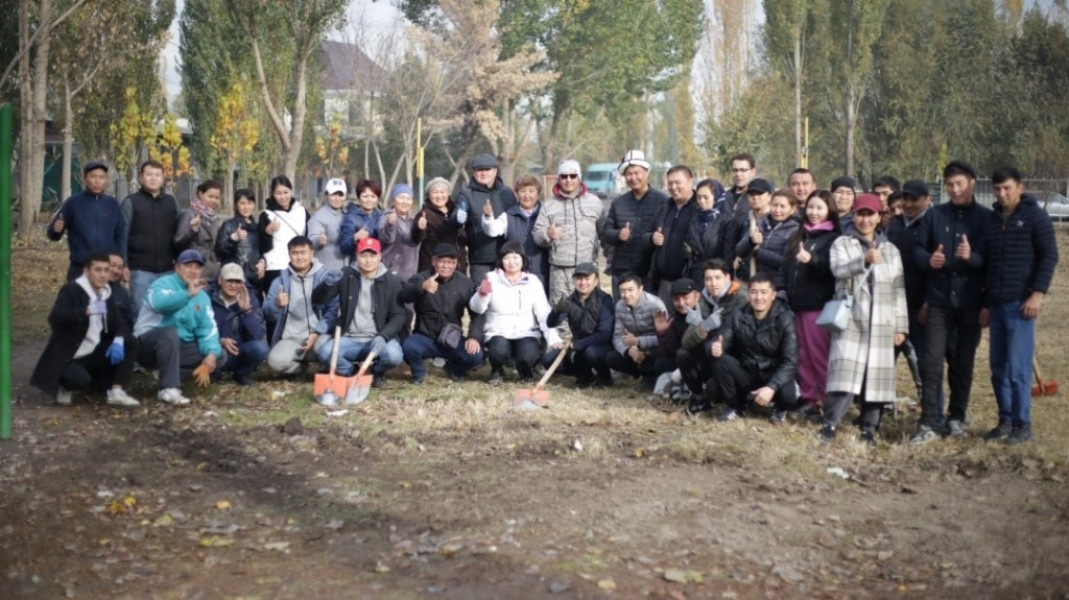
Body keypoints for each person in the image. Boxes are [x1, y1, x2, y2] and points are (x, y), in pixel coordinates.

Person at [909, 161, 990, 443]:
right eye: (950, 185)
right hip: (939, 302)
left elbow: (991, 261)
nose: (955, 190)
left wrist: (972, 258)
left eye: (960, 184)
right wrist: (928, 259)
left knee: (962, 363)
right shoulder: (935, 215)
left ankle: (957, 417)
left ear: (972, 183)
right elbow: (917, 249)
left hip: (970, 302)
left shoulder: (986, 219)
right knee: (931, 364)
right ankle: (929, 421)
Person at [820, 194, 908, 444]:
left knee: (875, 377)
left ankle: (869, 428)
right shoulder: (842, 243)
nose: (865, 220)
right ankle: (830, 424)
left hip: (882, 321)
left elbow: (898, 289)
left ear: (879, 217)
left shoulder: (890, 250)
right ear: (854, 216)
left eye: (870, 215)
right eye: (860, 214)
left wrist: (901, 326)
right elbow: (838, 270)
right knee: (843, 374)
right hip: (852, 319)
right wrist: (863, 260)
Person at [980, 167, 1058, 444]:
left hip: (1021, 305)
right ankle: (1005, 421)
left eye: (1007, 188)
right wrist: (986, 303)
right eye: (997, 189)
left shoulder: (1036, 217)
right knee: (998, 368)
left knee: (1018, 369)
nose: (1002, 194)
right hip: (996, 304)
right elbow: (988, 265)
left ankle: (1022, 425)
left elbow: (1049, 256)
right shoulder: (992, 221)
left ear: (1020, 188)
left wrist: (1037, 294)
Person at [30, 252, 140, 407]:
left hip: (93, 351)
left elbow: (119, 323)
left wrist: (118, 340)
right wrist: (85, 311)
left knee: (130, 342)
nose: (103, 275)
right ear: (87, 271)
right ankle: (65, 386)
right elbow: (55, 318)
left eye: (106, 270)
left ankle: (116, 391)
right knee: (80, 381)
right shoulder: (72, 290)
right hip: (70, 355)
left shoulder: (106, 293)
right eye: (98, 270)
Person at [133, 249, 225, 405]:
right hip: (147, 345)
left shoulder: (202, 296)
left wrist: (211, 355)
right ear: (176, 267)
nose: (193, 271)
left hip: (178, 347)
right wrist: (187, 295)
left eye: (197, 267)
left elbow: (207, 329)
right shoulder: (161, 284)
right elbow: (160, 304)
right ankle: (168, 388)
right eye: (188, 266)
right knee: (169, 333)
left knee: (219, 354)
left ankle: (165, 374)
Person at [709, 272, 799, 424]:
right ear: (748, 293)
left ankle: (779, 409)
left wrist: (771, 387)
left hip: (773, 375)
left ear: (773, 295)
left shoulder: (785, 318)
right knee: (719, 360)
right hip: (747, 372)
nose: (758, 297)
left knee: (789, 396)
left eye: (764, 292)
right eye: (754, 292)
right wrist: (714, 347)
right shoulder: (737, 314)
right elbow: (720, 339)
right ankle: (735, 407)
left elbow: (791, 361)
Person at [780, 190, 841, 412]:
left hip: (817, 306)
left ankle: (828, 398)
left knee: (818, 354)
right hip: (795, 304)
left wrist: (811, 260)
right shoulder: (798, 236)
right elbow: (785, 267)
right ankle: (809, 397)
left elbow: (832, 269)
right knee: (801, 354)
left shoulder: (834, 239)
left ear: (829, 211)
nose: (814, 212)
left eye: (819, 208)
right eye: (811, 207)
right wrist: (781, 289)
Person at [469, 241, 562, 385]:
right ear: (501, 260)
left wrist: (553, 338)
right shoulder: (490, 278)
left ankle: (525, 369)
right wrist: (481, 295)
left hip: (526, 332)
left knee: (529, 355)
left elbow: (544, 312)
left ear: (523, 259)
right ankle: (497, 369)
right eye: (507, 258)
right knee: (498, 352)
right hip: (498, 331)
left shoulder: (533, 281)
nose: (511, 262)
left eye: (515, 257)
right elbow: (477, 308)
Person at [317, 238, 406, 386]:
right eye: (364, 255)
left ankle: (376, 371)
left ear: (380, 256)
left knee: (394, 356)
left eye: (372, 255)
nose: (368, 260)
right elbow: (319, 299)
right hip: (348, 338)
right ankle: (351, 371)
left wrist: (383, 336)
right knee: (324, 353)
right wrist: (327, 284)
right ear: (357, 256)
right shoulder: (346, 275)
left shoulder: (391, 281)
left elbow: (398, 315)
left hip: (376, 338)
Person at [400, 243, 485, 384]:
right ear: (434, 261)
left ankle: (454, 370)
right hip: (424, 337)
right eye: (442, 261)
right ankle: (419, 373)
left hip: (451, 339)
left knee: (476, 355)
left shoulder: (465, 283)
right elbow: (403, 296)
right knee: (408, 347)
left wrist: (474, 337)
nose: (446, 266)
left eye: (451, 262)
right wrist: (421, 287)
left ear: (456, 264)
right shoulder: (421, 278)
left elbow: (477, 313)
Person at [263, 236, 339, 376]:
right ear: (289, 254)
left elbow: (334, 310)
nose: (299, 257)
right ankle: (300, 369)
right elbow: (267, 313)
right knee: (275, 362)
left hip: (320, 336)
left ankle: (325, 365)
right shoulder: (279, 281)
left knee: (328, 348)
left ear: (311, 253)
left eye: (303, 253)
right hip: (292, 338)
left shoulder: (325, 278)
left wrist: (317, 332)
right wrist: (277, 305)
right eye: (295, 253)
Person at [533, 159, 605, 303]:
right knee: (561, 313)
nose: (568, 180)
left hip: (588, 269)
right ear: (558, 179)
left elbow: (605, 232)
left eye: (573, 176)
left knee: (591, 311)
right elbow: (536, 235)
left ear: (579, 178)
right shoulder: (549, 205)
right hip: (560, 273)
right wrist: (548, 234)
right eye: (564, 176)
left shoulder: (594, 202)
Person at [599, 150, 669, 298]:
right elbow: (606, 232)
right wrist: (618, 234)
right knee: (622, 310)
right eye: (629, 174)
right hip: (622, 270)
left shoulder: (662, 200)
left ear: (646, 172)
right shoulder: (618, 203)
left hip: (649, 272)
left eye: (637, 173)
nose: (633, 178)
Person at [885, 181, 932, 403]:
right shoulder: (894, 226)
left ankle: (931, 409)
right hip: (894, 305)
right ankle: (877, 408)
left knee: (925, 362)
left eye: (915, 200)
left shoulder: (932, 224)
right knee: (884, 360)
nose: (909, 204)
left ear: (927, 200)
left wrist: (928, 303)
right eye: (906, 199)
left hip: (920, 306)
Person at [683, 259, 745, 413]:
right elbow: (686, 342)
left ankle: (734, 404)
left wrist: (718, 341)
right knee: (683, 355)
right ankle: (698, 395)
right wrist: (703, 328)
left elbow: (742, 334)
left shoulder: (740, 297)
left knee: (714, 387)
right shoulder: (703, 299)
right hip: (710, 350)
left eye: (718, 278)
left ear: (728, 278)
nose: (713, 283)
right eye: (708, 279)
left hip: (734, 355)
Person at [48, 161, 126, 282]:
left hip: (107, 269)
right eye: (93, 176)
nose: (97, 181)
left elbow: (121, 235)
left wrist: (121, 261)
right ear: (85, 179)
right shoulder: (73, 203)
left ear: (106, 180)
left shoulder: (112, 204)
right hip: (80, 268)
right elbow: (53, 235)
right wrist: (56, 230)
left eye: (101, 177)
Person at [121, 159, 179, 316]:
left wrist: (179, 261)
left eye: (157, 175)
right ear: (141, 177)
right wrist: (123, 264)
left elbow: (179, 234)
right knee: (141, 314)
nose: (153, 178)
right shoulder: (131, 202)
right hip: (139, 270)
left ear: (163, 178)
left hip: (167, 270)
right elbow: (122, 234)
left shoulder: (171, 202)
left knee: (166, 315)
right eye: (149, 174)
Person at [544, 263, 615, 388]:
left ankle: (604, 377)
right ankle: (585, 376)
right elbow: (551, 324)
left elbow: (605, 334)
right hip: (578, 346)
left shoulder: (605, 300)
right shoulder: (569, 301)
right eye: (579, 279)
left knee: (590, 353)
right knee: (547, 360)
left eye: (587, 279)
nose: (583, 283)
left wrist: (578, 344)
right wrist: (555, 311)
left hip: (602, 346)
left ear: (596, 281)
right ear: (574, 281)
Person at [455, 154, 518, 285]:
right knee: (482, 294)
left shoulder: (507, 193)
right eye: (479, 170)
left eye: (487, 169)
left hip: (507, 257)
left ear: (495, 171)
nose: (483, 173)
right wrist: (457, 217)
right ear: (474, 172)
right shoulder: (466, 195)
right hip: (480, 260)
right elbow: (455, 215)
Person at [480, 173, 549, 294]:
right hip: (515, 276)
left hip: (543, 274)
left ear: (538, 193)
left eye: (531, 191)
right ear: (516, 193)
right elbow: (492, 230)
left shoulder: (547, 213)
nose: (527, 195)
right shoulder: (508, 216)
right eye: (522, 191)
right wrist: (488, 216)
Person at [605, 273, 669, 390]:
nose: (626, 295)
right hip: (634, 347)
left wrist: (639, 341)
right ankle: (639, 372)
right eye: (622, 291)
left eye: (630, 290)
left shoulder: (655, 305)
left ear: (640, 289)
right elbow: (617, 336)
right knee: (611, 357)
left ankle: (651, 377)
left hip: (653, 348)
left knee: (659, 353)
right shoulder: (620, 306)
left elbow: (666, 337)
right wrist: (629, 351)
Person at [208, 263, 269, 386]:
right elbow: (197, 329)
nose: (233, 285)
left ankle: (241, 374)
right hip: (213, 350)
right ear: (220, 280)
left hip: (237, 351)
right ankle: (213, 372)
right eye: (229, 280)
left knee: (260, 348)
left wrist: (247, 312)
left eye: (237, 281)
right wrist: (219, 341)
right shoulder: (207, 298)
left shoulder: (251, 300)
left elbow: (258, 335)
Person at [650, 166, 699, 305]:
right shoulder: (664, 208)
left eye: (678, 183)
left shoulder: (699, 207)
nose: (673, 187)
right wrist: (652, 238)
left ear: (690, 182)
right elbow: (647, 233)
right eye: (670, 183)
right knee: (664, 318)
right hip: (664, 281)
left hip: (689, 283)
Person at [735, 187, 799, 288]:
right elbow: (739, 250)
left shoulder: (795, 230)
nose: (777, 210)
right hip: (755, 281)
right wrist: (751, 242)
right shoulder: (760, 223)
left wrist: (757, 252)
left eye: (782, 206)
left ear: (792, 209)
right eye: (775, 205)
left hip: (777, 285)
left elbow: (785, 263)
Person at [259, 175, 309, 296]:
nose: (283, 197)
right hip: (275, 268)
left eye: (286, 192)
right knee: (276, 303)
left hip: (299, 266)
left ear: (291, 191)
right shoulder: (266, 215)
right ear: (272, 194)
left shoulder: (302, 211)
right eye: (278, 193)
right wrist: (267, 232)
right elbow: (261, 247)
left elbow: (309, 238)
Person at [412, 177, 468, 274]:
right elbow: (417, 238)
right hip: (433, 269)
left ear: (448, 194)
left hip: (457, 268)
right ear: (428, 195)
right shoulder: (425, 214)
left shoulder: (456, 212)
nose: (439, 196)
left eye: (442, 192)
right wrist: (419, 228)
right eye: (435, 192)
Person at [215, 188, 266, 296]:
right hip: (234, 278)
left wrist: (262, 261)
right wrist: (234, 239)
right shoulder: (228, 225)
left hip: (255, 278)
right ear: (236, 205)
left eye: (249, 203)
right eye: (242, 203)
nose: (246, 207)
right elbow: (219, 251)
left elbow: (262, 249)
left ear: (254, 205)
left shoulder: (257, 227)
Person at [686, 178, 736, 282]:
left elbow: (728, 256)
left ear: (716, 197)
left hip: (716, 276)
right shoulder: (694, 218)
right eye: (698, 197)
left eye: (706, 197)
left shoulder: (727, 221)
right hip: (695, 274)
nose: (701, 201)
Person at [174, 179, 223, 280]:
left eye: (217, 198)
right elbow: (178, 241)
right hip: (194, 268)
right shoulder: (190, 214)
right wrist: (192, 229)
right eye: (210, 196)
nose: (213, 200)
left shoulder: (214, 217)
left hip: (211, 269)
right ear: (201, 194)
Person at [730, 178, 773, 282]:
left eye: (759, 194)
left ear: (769, 196)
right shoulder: (745, 220)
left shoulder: (774, 219)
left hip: (768, 279)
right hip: (745, 277)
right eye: (751, 194)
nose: (755, 197)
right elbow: (738, 249)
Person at [379, 184, 420, 283]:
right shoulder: (387, 217)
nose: (405, 201)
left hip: (411, 276)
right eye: (401, 197)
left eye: (408, 198)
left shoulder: (412, 221)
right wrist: (390, 225)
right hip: (391, 275)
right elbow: (388, 239)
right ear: (393, 200)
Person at [306, 178, 349, 272]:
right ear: (326, 195)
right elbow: (310, 240)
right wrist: (319, 240)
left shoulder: (348, 214)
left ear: (345, 196)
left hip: (346, 269)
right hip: (326, 270)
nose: (337, 199)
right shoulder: (318, 216)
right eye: (333, 194)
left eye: (340, 195)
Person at [338, 179, 383, 258]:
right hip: (359, 261)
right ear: (359, 197)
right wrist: (355, 238)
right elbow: (344, 247)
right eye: (365, 196)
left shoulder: (381, 216)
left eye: (373, 196)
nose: (369, 200)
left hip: (377, 261)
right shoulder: (351, 218)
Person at [720, 153, 758, 220]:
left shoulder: (759, 198)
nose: (738, 174)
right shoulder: (724, 198)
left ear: (753, 172)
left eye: (743, 170)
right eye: (735, 170)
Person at [107, 251, 136, 332]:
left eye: (120, 268)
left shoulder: (122, 292)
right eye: (112, 265)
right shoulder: (88, 288)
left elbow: (129, 322)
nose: (116, 271)